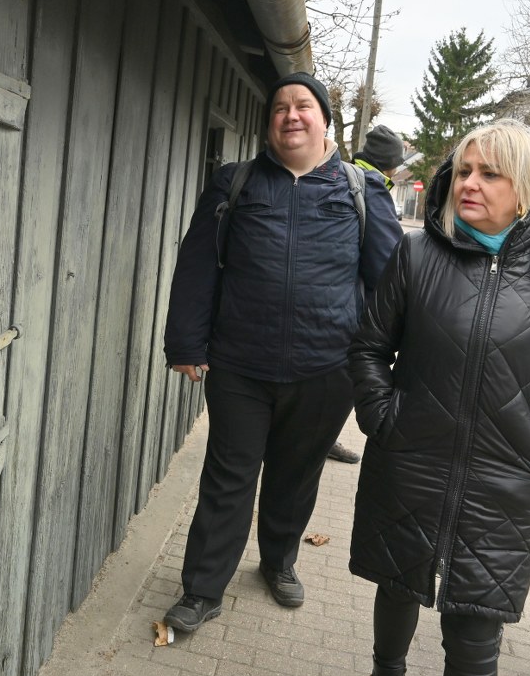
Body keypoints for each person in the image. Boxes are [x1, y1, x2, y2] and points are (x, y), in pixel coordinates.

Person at [348, 120, 530, 676]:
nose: (470, 183)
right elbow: (368, 348)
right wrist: (384, 418)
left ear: (523, 188)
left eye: (490, 173)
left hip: (504, 482)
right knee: (397, 585)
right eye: (464, 170)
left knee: (475, 629)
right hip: (410, 462)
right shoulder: (416, 254)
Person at [161, 72, 402, 632]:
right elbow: (198, 267)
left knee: (295, 476)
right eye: (280, 108)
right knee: (228, 477)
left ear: (324, 121)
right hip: (241, 365)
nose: (291, 115)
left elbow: (391, 283)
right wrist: (186, 343)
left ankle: (278, 561)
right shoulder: (235, 183)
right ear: (269, 124)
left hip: (327, 369)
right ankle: (202, 589)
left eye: (303, 106)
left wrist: (386, 361)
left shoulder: (361, 190)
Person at [327, 123, 407, 465]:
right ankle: (323, 439)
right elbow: (389, 261)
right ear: (392, 164)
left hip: (329, 303)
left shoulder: (341, 175)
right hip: (352, 311)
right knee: (347, 381)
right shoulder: (371, 186)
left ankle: (321, 437)